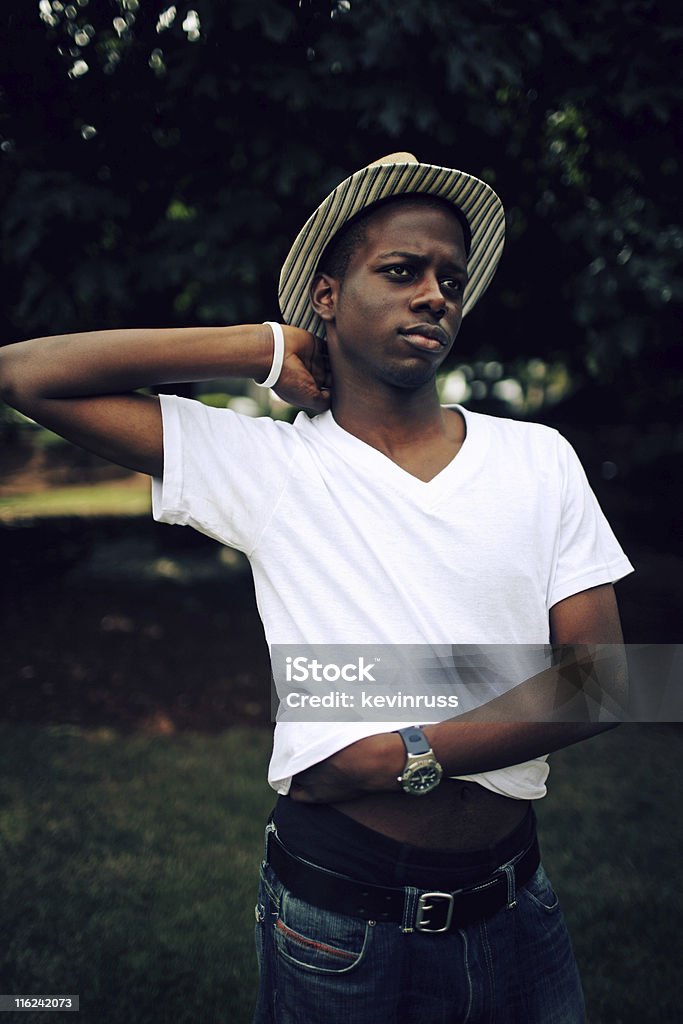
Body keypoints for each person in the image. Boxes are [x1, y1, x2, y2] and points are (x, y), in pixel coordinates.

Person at [0, 153, 633, 1023]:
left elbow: (599, 684)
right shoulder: (268, 463)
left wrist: (401, 751)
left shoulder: (536, 456)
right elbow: (25, 373)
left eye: (450, 278)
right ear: (327, 297)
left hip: (518, 910)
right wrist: (259, 349)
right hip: (341, 927)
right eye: (401, 270)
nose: (435, 296)